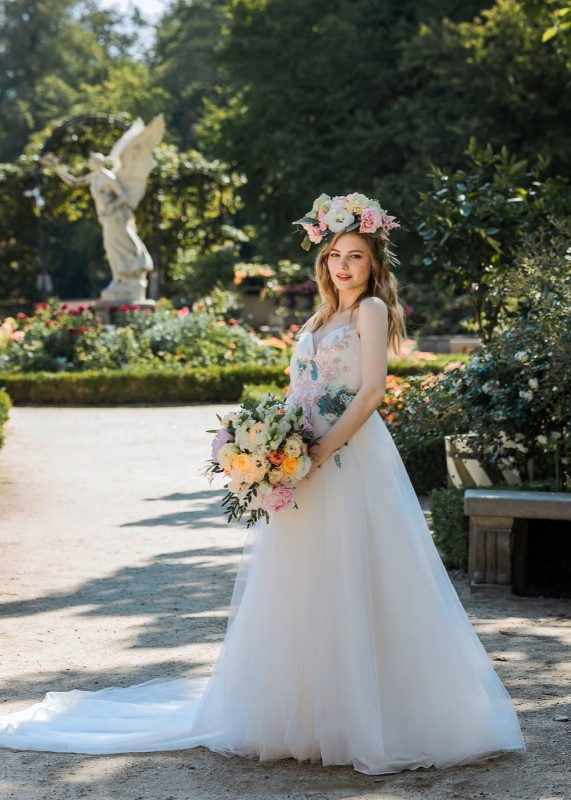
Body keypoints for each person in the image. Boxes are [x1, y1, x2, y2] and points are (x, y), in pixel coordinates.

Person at [0, 193, 526, 775]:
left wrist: (325, 448)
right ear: (323, 262)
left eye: (355, 255)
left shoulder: (369, 311)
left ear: (374, 263)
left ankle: (368, 715)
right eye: (334, 256)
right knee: (302, 583)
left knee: (359, 574)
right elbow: (297, 392)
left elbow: (372, 391)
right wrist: (268, 445)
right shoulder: (318, 318)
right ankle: (303, 713)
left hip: (349, 457)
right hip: (303, 462)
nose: (343, 266)